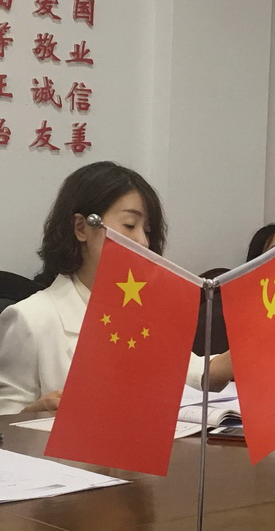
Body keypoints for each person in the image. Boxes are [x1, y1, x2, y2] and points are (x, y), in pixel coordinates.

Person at [0, 161, 232, 415]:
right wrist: (37, 410)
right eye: (130, 225)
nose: (143, 242)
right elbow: (6, 420)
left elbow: (199, 375)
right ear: (81, 228)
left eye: (147, 230)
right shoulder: (31, 317)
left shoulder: (146, 311)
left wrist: (251, 346)